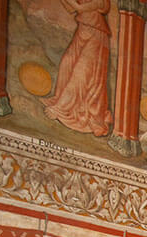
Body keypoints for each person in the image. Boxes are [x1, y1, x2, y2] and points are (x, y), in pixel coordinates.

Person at [44, 0, 114, 136]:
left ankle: (61, 108)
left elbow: (78, 7)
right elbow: (71, 9)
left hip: (96, 35)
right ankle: (61, 99)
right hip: (83, 30)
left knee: (81, 72)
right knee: (67, 62)